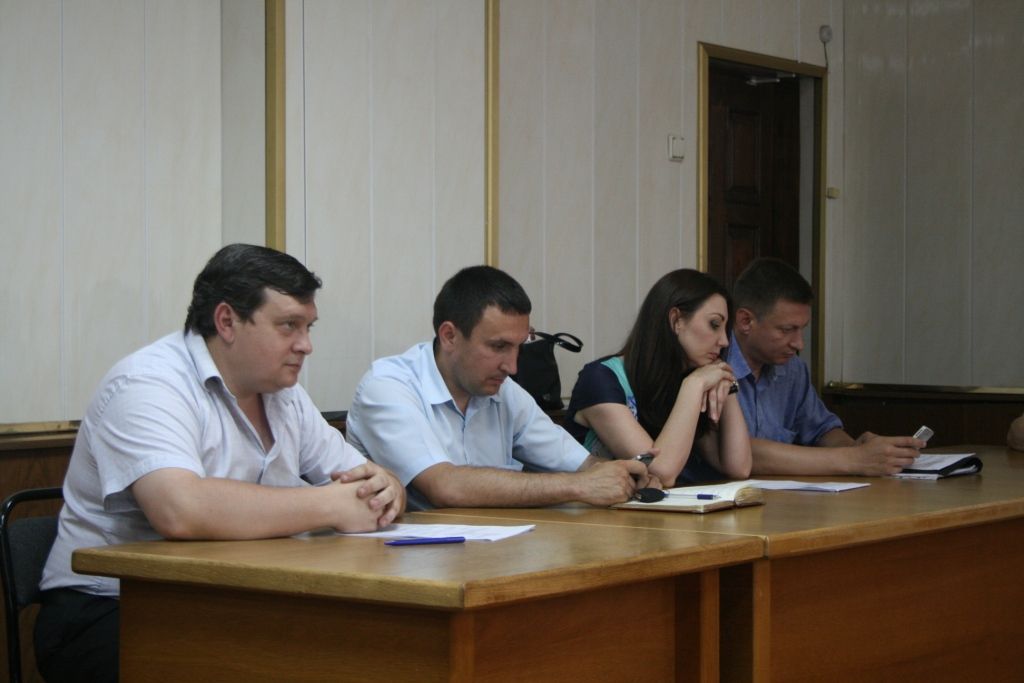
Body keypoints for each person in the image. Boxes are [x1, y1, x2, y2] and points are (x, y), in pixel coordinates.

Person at [35, 244, 405, 683]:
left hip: (229, 599)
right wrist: (330, 505)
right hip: (111, 608)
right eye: (289, 325)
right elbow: (180, 510)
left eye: (308, 327)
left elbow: (361, 480)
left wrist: (387, 488)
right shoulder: (147, 383)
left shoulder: (285, 394)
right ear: (227, 321)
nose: (306, 345)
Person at [345, 265, 653, 511]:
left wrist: (620, 475)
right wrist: (579, 486)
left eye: (519, 346)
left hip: (493, 550)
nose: (513, 367)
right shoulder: (387, 387)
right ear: (450, 336)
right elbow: (444, 486)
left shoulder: (504, 391)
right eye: (499, 346)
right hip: (406, 562)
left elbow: (581, 464)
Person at [726, 257, 925, 475]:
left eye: (802, 329)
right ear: (745, 321)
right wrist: (854, 459)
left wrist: (858, 449)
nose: (799, 344)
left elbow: (821, 430)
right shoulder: (712, 363)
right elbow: (738, 452)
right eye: (787, 330)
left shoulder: (793, 369)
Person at [564, 269, 752, 487]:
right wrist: (695, 384)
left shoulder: (686, 376)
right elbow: (660, 471)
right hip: (593, 509)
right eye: (714, 324)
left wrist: (726, 381)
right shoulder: (599, 379)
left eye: (725, 329)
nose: (724, 341)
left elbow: (738, 467)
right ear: (676, 320)